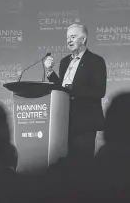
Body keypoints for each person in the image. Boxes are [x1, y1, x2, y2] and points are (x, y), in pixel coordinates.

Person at [44, 24, 107, 159]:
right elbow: (61, 88)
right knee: (66, 162)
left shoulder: (95, 61)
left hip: (85, 120)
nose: (69, 41)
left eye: (73, 37)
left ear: (83, 39)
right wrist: (49, 72)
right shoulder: (64, 62)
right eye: (67, 37)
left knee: (83, 163)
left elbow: (99, 91)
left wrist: (70, 91)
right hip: (64, 120)